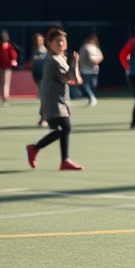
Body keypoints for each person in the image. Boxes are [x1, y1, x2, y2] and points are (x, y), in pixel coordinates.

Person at [26, 28, 83, 171]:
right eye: (57, 41)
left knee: (61, 129)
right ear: (49, 43)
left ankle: (43, 151)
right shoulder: (53, 60)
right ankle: (42, 151)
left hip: (60, 100)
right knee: (65, 128)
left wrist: (73, 66)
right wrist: (74, 64)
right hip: (54, 100)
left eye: (63, 40)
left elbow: (74, 79)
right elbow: (69, 78)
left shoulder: (59, 58)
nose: (61, 43)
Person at [28, 32, 48, 126]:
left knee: (44, 97)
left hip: (45, 78)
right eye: (35, 40)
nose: (37, 42)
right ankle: (43, 116)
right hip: (38, 78)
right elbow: (33, 67)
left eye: (39, 40)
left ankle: (44, 118)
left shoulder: (45, 51)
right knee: (42, 97)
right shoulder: (35, 51)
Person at [78, 34, 103, 107]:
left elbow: (98, 57)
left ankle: (92, 97)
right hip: (89, 69)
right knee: (88, 84)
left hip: (89, 70)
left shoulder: (88, 47)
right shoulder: (86, 47)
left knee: (87, 84)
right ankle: (91, 98)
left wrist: (95, 61)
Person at [0, 30, 18, 105]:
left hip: (1, 66)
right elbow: (13, 55)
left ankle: (2, 97)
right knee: (5, 83)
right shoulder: (8, 46)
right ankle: (5, 99)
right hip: (6, 67)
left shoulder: (3, 47)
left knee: (1, 83)